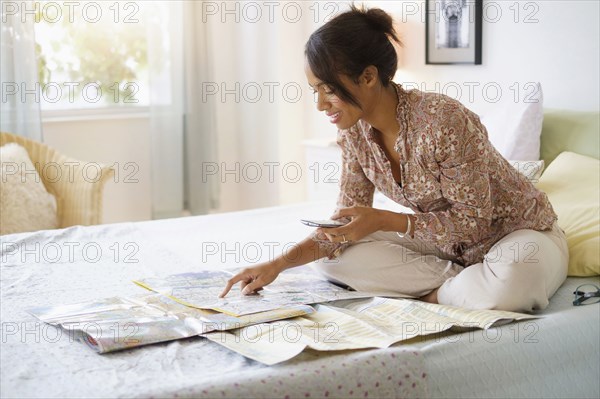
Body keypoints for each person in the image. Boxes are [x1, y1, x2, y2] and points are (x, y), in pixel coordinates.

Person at [219, 5, 568, 312]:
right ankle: (463, 286)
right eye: (315, 90)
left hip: (517, 235)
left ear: (368, 77)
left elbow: (473, 224)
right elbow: (345, 225)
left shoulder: (442, 120)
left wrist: (384, 220)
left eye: (328, 89)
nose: (320, 105)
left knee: (513, 285)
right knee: (332, 262)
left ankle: (441, 293)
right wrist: (277, 265)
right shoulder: (353, 133)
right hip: (449, 247)